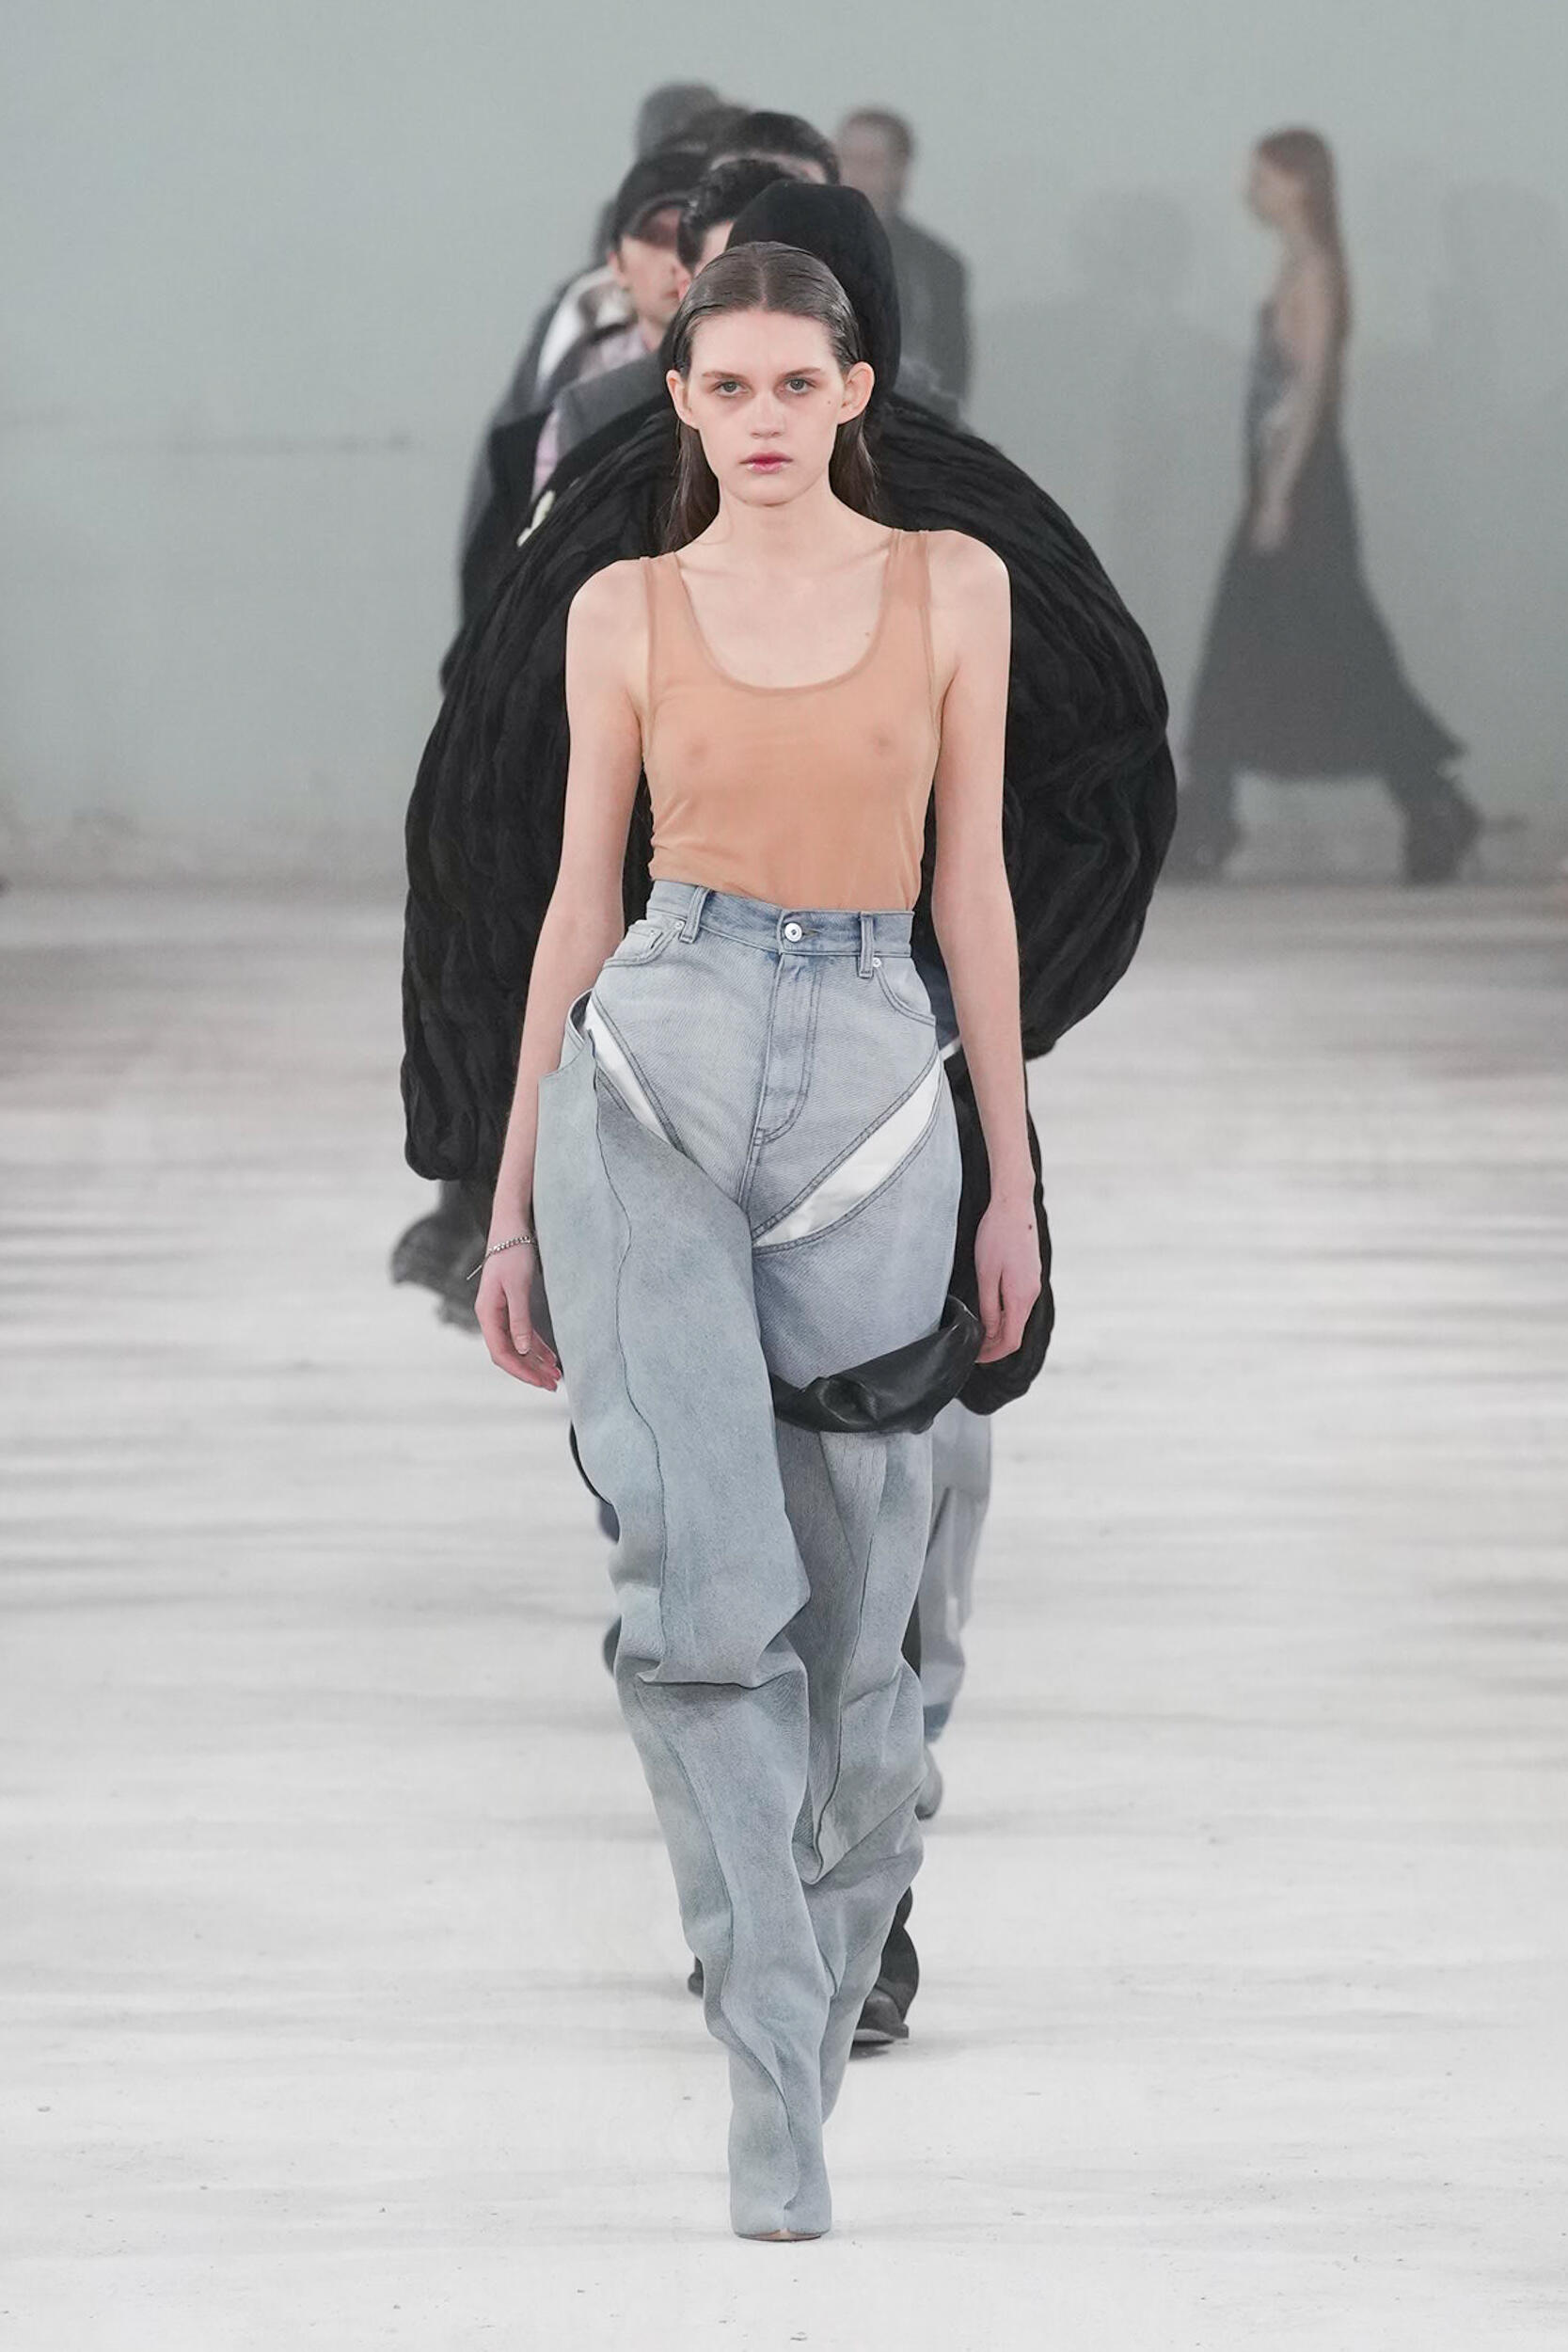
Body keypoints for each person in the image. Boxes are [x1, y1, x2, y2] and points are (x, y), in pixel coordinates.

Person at [469, 235, 1038, 2242]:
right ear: (683, 402)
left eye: (800, 383)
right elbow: (577, 897)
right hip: (659, 1048)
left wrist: (1010, 1179)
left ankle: (818, 1965)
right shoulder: (624, 608)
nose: (765, 418)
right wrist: (509, 1194)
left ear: (855, 393)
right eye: (729, 387)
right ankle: (767, 2046)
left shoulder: (950, 587)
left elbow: (973, 888)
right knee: (698, 1590)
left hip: (879, 1062)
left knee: (868, 1611)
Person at [1172, 128, 1481, 882]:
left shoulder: (1312, 269)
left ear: (1299, 183)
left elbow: (1310, 393)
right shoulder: (1297, 263)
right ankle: (1215, 811)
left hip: (1300, 487)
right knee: (1270, 644)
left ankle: (1424, 800)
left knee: (1324, 641)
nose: (1251, 191)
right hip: (1285, 480)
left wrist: (1278, 494)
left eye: (1262, 178)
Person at [835, 108, 971, 411]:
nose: (853, 175)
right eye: (846, 159)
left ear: (899, 171)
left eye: (870, 163)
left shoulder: (938, 267)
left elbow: (951, 378)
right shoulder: (798, 250)